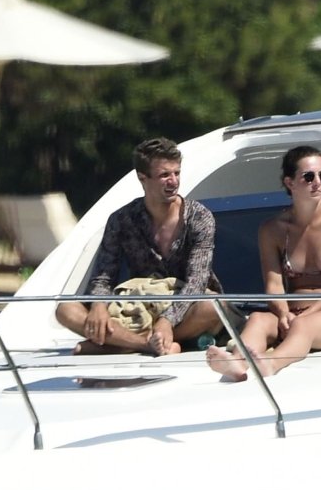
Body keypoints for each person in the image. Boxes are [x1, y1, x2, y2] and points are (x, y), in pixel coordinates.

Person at [207, 146, 321, 380]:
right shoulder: (272, 229)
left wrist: (304, 316)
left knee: (303, 326)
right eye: (309, 177)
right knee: (258, 320)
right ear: (289, 182)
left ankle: (271, 364)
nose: (318, 182)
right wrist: (283, 314)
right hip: (291, 314)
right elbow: (273, 284)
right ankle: (238, 363)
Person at [58, 137, 222, 355]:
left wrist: (167, 319)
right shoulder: (121, 219)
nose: (173, 181)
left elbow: (197, 282)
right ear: (142, 178)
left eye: (177, 173)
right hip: (138, 307)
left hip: (187, 308)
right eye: (164, 175)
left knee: (213, 306)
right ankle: (145, 344)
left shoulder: (199, 217)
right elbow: (104, 276)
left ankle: (118, 344)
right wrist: (98, 305)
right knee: (65, 309)